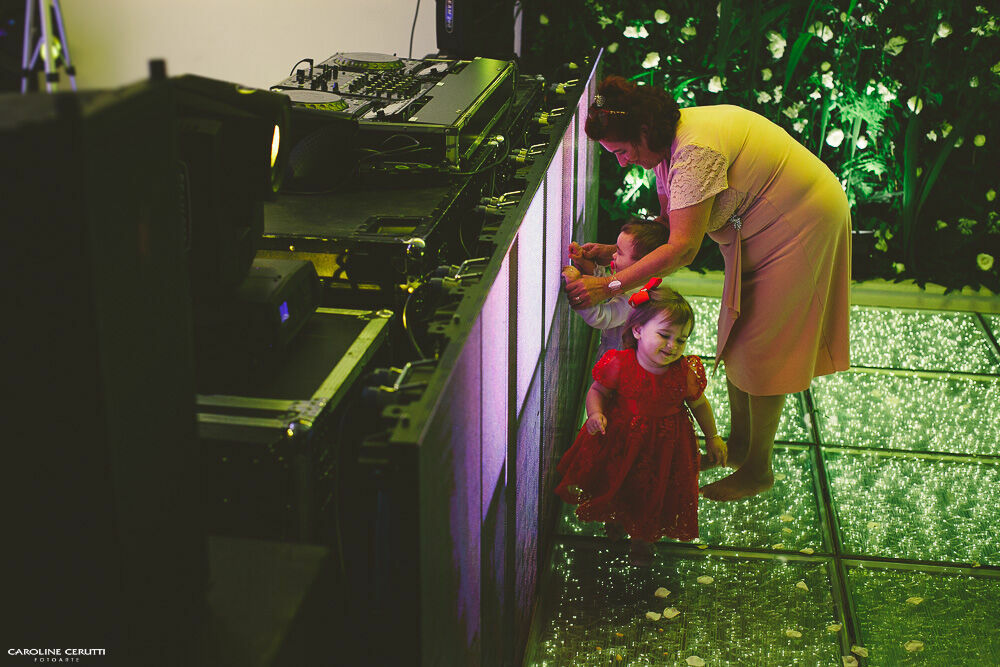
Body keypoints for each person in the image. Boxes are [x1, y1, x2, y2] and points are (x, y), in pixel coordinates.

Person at [565, 75, 851, 501]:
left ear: (642, 133)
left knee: (765, 345)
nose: (621, 163)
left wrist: (609, 286)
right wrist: (611, 252)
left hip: (801, 222)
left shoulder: (693, 150)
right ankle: (738, 446)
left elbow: (683, 249)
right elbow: (669, 228)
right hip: (760, 227)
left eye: (622, 152)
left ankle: (758, 469)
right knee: (737, 334)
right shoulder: (668, 145)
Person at [555, 281, 727, 566]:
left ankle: (642, 540)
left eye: (681, 339)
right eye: (664, 335)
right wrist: (595, 414)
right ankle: (616, 518)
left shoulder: (684, 373)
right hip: (622, 441)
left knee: (654, 492)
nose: (673, 346)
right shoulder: (620, 364)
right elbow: (598, 390)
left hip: (664, 448)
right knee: (620, 483)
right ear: (637, 330)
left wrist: (713, 436)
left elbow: (698, 404)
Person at [562, 218, 669, 357]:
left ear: (642, 265)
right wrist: (587, 266)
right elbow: (603, 288)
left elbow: (602, 316)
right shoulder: (633, 285)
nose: (613, 255)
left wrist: (575, 284)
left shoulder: (636, 299)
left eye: (619, 252)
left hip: (616, 365)